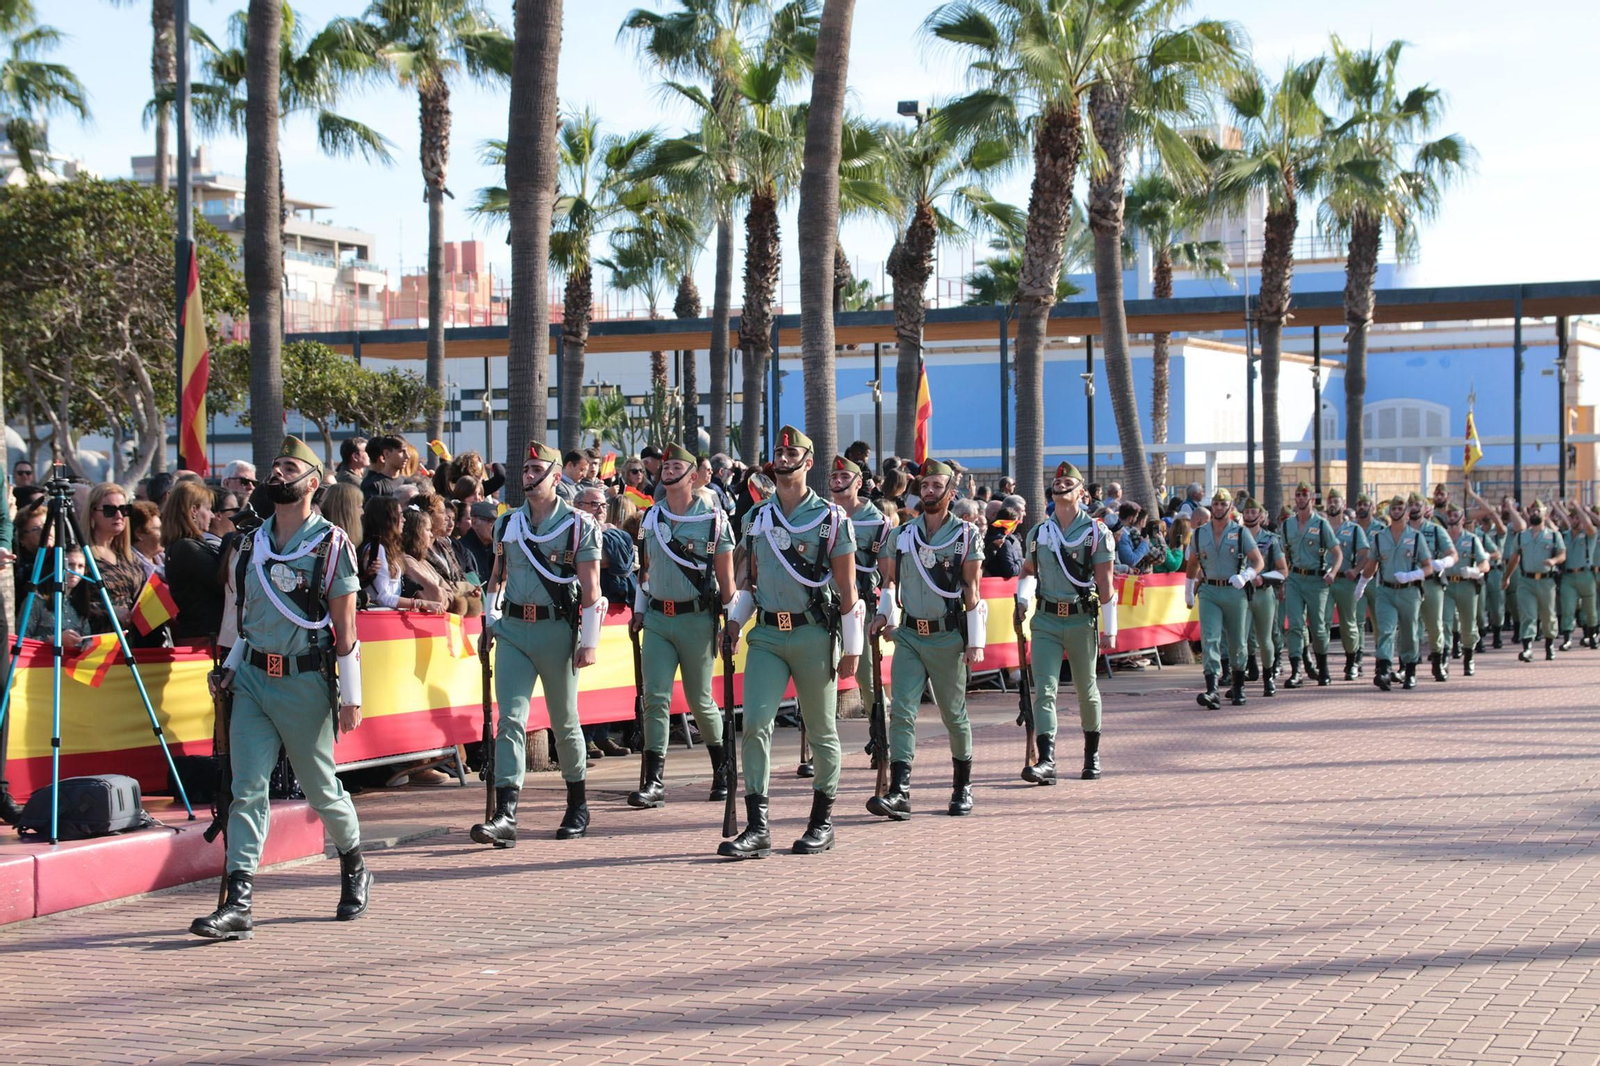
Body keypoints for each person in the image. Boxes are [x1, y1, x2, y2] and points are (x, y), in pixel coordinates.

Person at [190, 437, 369, 940]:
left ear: (311, 483)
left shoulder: (331, 544)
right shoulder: (250, 542)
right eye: (274, 466)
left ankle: (354, 863)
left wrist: (351, 697)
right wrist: (227, 665)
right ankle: (239, 899)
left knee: (320, 788)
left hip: (304, 680)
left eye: (289, 467)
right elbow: (238, 615)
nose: (277, 473)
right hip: (251, 680)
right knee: (246, 790)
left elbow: (346, 628)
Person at [717, 426, 860, 859]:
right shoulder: (757, 517)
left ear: (808, 461)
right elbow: (748, 579)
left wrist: (851, 649)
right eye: (778, 453)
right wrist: (734, 622)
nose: (783, 458)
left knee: (820, 730)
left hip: (813, 633)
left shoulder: (831, 519)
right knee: (755, 725)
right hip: (767, 635)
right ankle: (758, 827)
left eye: (791, 452)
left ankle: (822, 822)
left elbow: (848, 588)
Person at [471, 441, 605, 848]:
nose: (527, 478)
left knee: (565, 720)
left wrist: (589, 641)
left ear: (556, 476)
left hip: (556, 630)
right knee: (509, 719)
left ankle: (577, 803)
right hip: (513, 628)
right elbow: (496, 577)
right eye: (524, 471)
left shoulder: (579, 525)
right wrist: (490, 619)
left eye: (535, 470)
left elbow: (591, 588)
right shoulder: (508, 524)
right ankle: (506, 813)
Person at [866, 458, 983, 820]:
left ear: (950, 492)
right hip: (910, 636)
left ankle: (962, 786)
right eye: (926, 485)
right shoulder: (902, 534)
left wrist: (975, 641)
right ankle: (900, 791)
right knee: (901, 711)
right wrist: (885, 614)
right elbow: (890, 582)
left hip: (947, 638)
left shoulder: (966, 535)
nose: (929, 491)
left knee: (953, 714)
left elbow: (971, 588)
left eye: (937, 486)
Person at [625, 444, 734, 808]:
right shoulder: (649, 519)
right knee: (655, 698)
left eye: (676, 466)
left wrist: (729, 623)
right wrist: (640, 610)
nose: (668, 471)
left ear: (693, 476)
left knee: (700, 700)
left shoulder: (715, 520)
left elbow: (727, 581)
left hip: (696, 618)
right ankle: (654, 780)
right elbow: (645, 569)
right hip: (658, 617)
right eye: (666, 466)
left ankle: (723, 771)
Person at [1012, 462, 1114, 784]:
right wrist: (1023, 599)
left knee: (1086, 689)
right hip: (1045, 620)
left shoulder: (1097, 532)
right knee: (1044, 690)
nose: (1061, 485)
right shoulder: (1040, 532)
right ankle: (1047, 760)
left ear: (1081, 492)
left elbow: (1106, 585)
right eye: (1057, 482)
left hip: (1081, 619)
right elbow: (1028, 571)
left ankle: (1091, 755)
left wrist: (1110, 629)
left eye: (1069, 482)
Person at [824, 455, 893, 781]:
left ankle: (881, 739)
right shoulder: (821, 515)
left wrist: (887, 612)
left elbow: (887, 572)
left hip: (860, 607)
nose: (837, 482)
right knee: (818, 676)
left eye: (843, 477)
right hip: (822, 608)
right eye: (834, 477)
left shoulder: (877, 522)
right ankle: (816, 749)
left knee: (868, 680)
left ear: (859, 483)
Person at [1185, 490, 1263, 709]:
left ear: (1230, 507)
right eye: (1216, 504)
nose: (1219, 508)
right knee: (1210, 638)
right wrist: (1188, 590)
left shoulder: (1240, 533)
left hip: (1234, 591)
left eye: (1223, 504)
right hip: (1209, 589)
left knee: (1238, 641)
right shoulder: (1200, 534)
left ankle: (1238, 686)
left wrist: (1247, 575)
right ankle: (1212, 689)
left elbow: (1258, 561)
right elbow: (1193, 563)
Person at [1362, 495, 1434, 691]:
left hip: (1409, 592)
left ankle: (1410, 671)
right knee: (1385, 630)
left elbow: (1428, 567)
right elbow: (1371, 564)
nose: (1395, 510)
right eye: (1393, 507)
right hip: (1385, 590)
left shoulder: (1416, 537)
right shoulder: (1380, 537)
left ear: (1406, 511)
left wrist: (1413, 575)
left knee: (1409, 632)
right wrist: (1361, 583)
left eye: (1399, 507)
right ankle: (1383, 670)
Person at [1278, 481, 1343, 687]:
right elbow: (1284, 555)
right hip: (1295, 578)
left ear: (1312, 499)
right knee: (1295, 625)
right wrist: (1282, 581)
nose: (1300, 499)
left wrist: (1333, 572)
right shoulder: (1287, 525)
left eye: (1304, 495)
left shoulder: (1322, 524)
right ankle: (1296, 670)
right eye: (1298, 495)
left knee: (1319, 628)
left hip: (1317, 580)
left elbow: (1337, 553)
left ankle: (1323, 668)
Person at [161, 479, 225, 642]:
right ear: (194, 511)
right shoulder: (186, 548)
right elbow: (222, 582)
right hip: (202, 639)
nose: (212, 515)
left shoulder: (182, 545)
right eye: (209, 509)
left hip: (201, 635)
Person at [81, 484, 146, 642]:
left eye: (124, 509)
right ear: (92, 514)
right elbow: (69, 604)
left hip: (134, 644)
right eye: (109, 510)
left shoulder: (130, 556)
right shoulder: (82, 556)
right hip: (98, 643)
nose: (118, 515)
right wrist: (109, 611)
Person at [359, 496, 445, 615]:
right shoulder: (378, 549)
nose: (403, 520)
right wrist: (420, 603)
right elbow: (383, 597)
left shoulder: (388, 548)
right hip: (380, 618)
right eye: (399, 515)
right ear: (388, 519)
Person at [1502, 499, 1564, 662]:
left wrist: (1554, 561)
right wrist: (1507, 577)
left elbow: (1562, 554)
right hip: (1526, 580)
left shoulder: (1553, 535)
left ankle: (1549, 645)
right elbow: (1514, 558)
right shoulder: (1522, 536)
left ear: (1545, 513)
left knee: (1548, 614)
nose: (1535, 513)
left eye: (1538, 510)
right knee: (1527, 614)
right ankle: (1527, 647)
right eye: (1533, 510)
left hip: (1546, 581)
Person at [1238, 498, 1285, 696]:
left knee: (1265, 639)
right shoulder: (1235, 536)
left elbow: (1283, 570)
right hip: (1240, 594)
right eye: (1246, 512)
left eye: (1253, 512)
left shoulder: (1271, 539)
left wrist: (1263, 579)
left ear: (1261, 515)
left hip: (1263, 593)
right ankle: (1238, 681)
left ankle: (1268, 677)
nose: (1249, 515)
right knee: (1240, 639)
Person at [1323, 489, 1370, 680]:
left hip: (1345, 580)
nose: (1332, 504)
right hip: (1324, 581)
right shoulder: (1320, 526)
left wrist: (1356, 570)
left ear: (1343, 505)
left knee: (1349, 623)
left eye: (1336, 501)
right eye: (1330, 501)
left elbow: (1366, 555)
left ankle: (1352, 661)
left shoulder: (1354, 529)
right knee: (1322, 623)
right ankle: (1322, 663)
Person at [1440, 501, 1490, 675]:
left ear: (1462, 519)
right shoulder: (1442, 538)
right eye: (1449, 515)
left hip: (1466, 585)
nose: (1452, 519)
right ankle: (1444, 657)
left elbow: (1485, 564)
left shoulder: (1472, 539)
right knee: (1444, 622)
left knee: (1468, 624)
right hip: (1446, 585)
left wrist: (1475, 570)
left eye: (1455, 516)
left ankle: (1468, 656)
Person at [1556, 500, 1597, 650]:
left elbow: (1589, 525)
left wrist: (1580, 509)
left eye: (1578, 517)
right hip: (1568, 576)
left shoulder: (1589, 535)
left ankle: (1591, 635)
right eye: (1573, 517)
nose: (1576, 520)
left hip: (1585, 574)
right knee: (1567, 608)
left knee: (1590, 609)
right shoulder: (1565, 535)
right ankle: (1567, 639)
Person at [456, 500, 497, 584]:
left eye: (497, 522)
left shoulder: (496, 548)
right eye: (490, 521)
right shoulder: (462, 549)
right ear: (474, 522)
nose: (495, 526)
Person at [359, 435, 408, 500]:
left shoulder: (407, 482)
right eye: (401, 451)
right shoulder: (374, 485)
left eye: (407, 451)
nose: (407, 456)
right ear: (386, 453)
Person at [982, 505, 1023, 578]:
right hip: (1001, 586)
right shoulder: (1004, 541)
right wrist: (1022, 562)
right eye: (1016, 523)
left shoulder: (989, 535)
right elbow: (1010, 570)